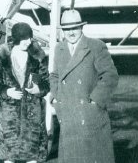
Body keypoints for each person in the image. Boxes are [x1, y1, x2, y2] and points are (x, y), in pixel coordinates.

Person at [49, 9, 118, 163]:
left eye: (74, 28)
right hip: (68, 115)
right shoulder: (59, 48)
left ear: (81, 27)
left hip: (89, 117)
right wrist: (57, 98)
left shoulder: (96, 46)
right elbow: (54, 75)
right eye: (67, 29)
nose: (71, 32)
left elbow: (110, 75)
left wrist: (94, 102)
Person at [0, 22, 49, 163]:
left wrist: (39, 89)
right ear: (16, 38)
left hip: (33, 114)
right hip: (9, 115)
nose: (28, 42)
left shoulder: (38, 55)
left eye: (30, 38)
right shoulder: (2, 55)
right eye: (24, 38)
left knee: (32, 156)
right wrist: (6, 91)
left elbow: (47, 82)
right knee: (9, 156)